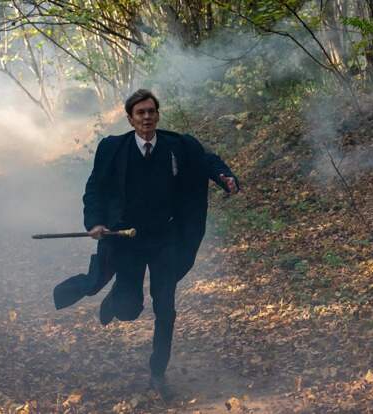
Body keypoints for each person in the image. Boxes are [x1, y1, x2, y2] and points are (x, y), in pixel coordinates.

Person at [54, 89, 239, 398]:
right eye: (140, 113)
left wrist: (225, 177)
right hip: (126, 242)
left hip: (165, 239)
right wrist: (95, 222)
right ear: (130, 119)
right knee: (128, 309)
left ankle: (157, 373)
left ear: (157, 115)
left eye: (151, 111)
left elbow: (207, 160)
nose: (147, 117)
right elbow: (94, 189)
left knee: (165, 308)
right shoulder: (113, 148)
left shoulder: (177, 146)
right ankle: (117, 298)